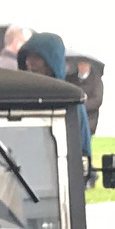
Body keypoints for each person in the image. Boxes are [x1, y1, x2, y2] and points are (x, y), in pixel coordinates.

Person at [18, 31, 89, 161]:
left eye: (37, 57)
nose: (29, 62)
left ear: (51, 61)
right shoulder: (19, 97)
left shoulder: (70, 100)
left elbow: (82, 148)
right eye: (28, 57)